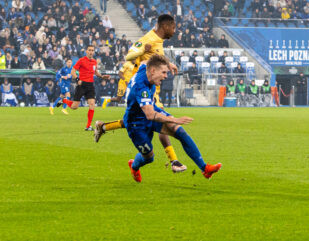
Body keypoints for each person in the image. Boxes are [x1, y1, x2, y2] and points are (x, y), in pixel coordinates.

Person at [94, 15, 186, 173]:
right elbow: (129, 56)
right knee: (161, 122)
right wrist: (143, 50)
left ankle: (103, 126)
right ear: (165, 26)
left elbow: (155, 57)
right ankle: (174, 161)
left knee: (133, 120)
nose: (175, 30)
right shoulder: (147, 39)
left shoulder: (158, 40)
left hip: (150, 88)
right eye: (173, 27)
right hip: (141, 88)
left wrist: (168, 63)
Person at [123, 54, 221, 182]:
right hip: (136, 124)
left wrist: (168, 64)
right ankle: (134, 166)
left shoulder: (145, 68)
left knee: (179, 131)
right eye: (163, 72)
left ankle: (205, 169)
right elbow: (150, 115)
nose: (165, 76)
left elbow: (148, 60)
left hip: (150, 109)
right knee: (148, 157)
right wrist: (175, 119)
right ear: (153, 71)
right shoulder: (141, 88)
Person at [57, 45, 110, 130]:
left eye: (92, 50)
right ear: (86, 51)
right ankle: (64, 100)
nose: (91, 52)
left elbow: (95, 72)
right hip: (81, 85)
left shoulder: (94, 62)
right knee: (74, 107)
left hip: (90, 85)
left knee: (92, 104)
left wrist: (102, 76)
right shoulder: (81, 60)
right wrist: (77, 79)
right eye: (89, 50)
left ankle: (88, 126)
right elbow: (73, 71)